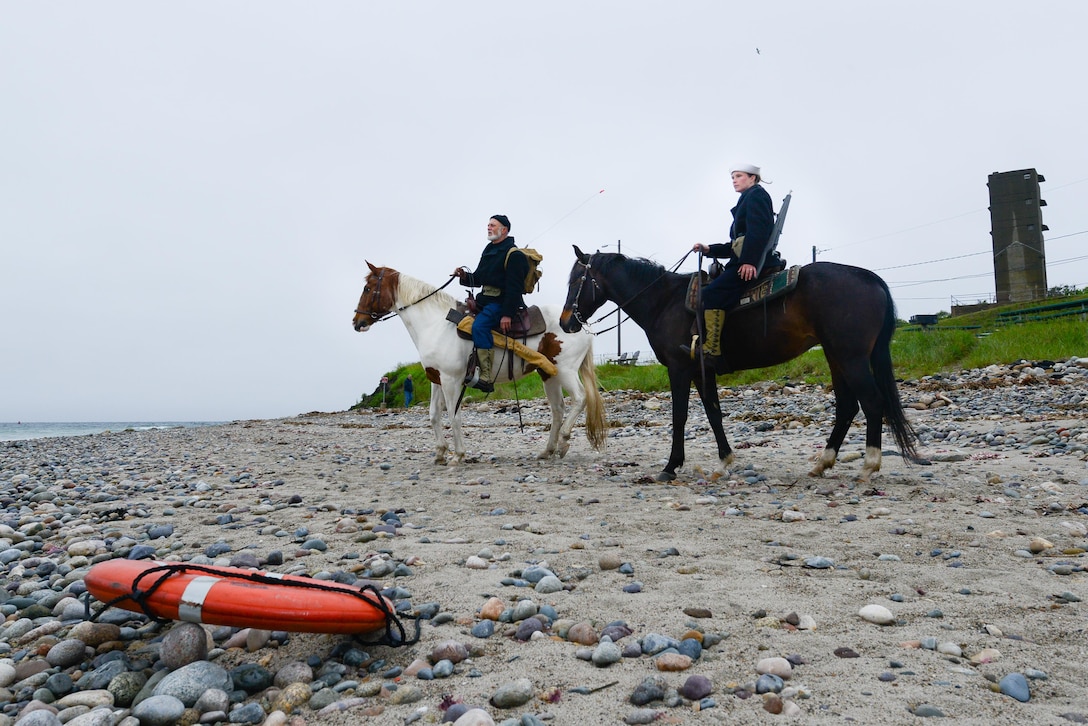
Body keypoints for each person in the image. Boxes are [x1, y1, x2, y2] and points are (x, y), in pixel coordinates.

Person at [688, 163, 776, 363]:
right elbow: (736, 244)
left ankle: (712, 349)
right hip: (745, 259)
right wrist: (710, 249)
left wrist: (749, 262)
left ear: (752, 178)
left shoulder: (757, 196)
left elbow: (759, 233)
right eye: (732, 177)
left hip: (752, 263)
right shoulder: (748, 198)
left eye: (739, 176)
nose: (734, 180)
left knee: (711, 293)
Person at [452, 214, 530, 392]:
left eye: (493, 225)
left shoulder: (514, 255)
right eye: (488, 225)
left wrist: (507, 314)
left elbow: (514, 287)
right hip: (484, 300)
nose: (488, 228)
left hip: (501, 303)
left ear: (504, 230)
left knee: (479, 327)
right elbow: (478, 278)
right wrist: (464, 276)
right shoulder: (488, 249)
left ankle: (486, 377)